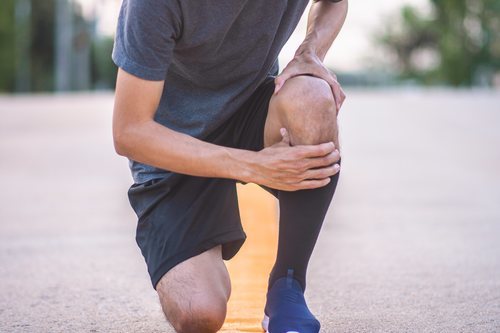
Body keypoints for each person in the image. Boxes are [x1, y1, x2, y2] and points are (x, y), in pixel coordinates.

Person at [112, 0, 347, 332]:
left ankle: (287, 287)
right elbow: (129, 132)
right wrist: (253, 166)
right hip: (173, 144)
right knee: (199, 313)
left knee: (312, 95)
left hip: (249, 106)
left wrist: (310, 51)